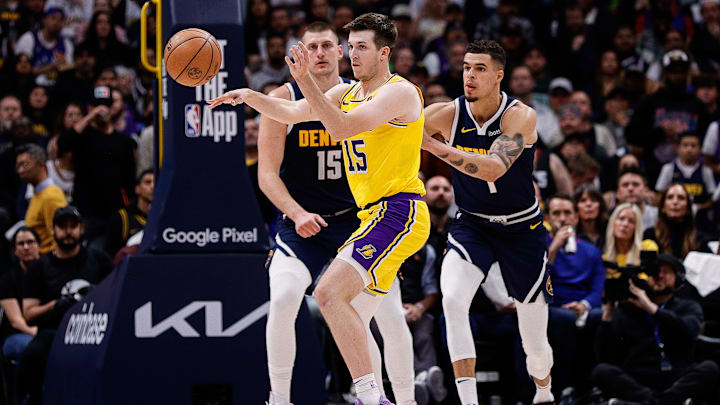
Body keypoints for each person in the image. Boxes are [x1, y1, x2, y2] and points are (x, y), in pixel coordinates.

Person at [209, 13, 430, 405]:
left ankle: (373, 397)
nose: (352, 53)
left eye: (360, 47)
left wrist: (304, 81)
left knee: (332, 296)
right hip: (368, 217)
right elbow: (293, 113)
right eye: (352, 46)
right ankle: (367, 395)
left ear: (384, 53)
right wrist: (251, 97)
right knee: (351, 313)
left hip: (399, 212)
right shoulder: (346, 94)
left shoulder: (400, 92)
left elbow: (342, 128)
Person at [421, 40, 554, 405]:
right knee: (452, 300)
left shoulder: (520, 116)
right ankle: (469, 401)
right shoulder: (446, 113)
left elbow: (495, 167)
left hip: (521, 229)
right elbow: (393, 128)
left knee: (534, 342)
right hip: (473, 225)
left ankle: (544, 391)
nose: (470, 75)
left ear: (498, 75)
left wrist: (435, 148)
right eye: (466, 67)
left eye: (479, 68)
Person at [593, 254, 719, 404]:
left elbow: (689, 330)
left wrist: (653, 309)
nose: (659, 275)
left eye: (666, 272)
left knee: (710, 368)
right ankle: (663, 402)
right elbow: (604, 356)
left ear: (677, 279)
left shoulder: (688, 306)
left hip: (675, 376)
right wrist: (607, 316)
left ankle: (653, 402)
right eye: (654, 272)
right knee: (602, 371)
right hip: (638, 378)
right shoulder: (629, 310)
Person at [19, 205, 113, 405]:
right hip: (54, 332)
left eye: (73, 226)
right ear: (52, 230)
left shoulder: (99, 260)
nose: (68, 231)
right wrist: (54, 305)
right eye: (62, 226)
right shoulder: (39, 268)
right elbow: (28, 314)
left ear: (81, 229)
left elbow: (116, 298)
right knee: (32, 355)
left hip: (93, 331)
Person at [59, 86, 136, 250]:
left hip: (115, 212)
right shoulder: (83, 136)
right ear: (90, 107)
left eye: (106, 105)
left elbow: (130, 179)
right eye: (97, 106)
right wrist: (90, 116)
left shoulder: (123, 141)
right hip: (87, 212)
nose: (102, 110)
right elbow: (63, 144)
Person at [544, 194, 605, 395]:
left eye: (568, 213)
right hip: (552, 306)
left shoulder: (591, 251)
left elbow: (597, 289)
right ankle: (565, 387)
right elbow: (537, 285)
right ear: (548, 218)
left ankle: (591, 385)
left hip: (582, 307)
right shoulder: (539, 246)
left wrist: (584, 305)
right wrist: (552, 250)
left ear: (576, 217)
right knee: (563, 319)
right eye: (557, 213)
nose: (563, 218)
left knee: (598, 315)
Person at [16, 143, 68, 254]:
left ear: (40, 164)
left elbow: (60, 239)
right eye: (18, 166)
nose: (20, 171)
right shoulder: (38, 195)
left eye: (24, 164)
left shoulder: (51, 196)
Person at [0, 227, 39, 360]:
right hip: (17, 334)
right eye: (21, 244)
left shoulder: (49, 272)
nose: (26, 247)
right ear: (15, 251)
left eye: (30, 242)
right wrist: (36, 333)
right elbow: (16, 321)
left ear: (39, 245)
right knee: (35, 348)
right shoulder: (8, 279)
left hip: (46, 332)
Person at [655, 132, 716, 214]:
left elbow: (712, 199)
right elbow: (659, 196)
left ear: (700, 149)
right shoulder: (668, 169)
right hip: (673, 217)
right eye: (685, 145)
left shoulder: (706, 171)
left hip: (700, 219)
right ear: (678, 148)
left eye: (693, 146)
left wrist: (699, 207)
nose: (689, 149)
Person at [643, 184, 710, 259]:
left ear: (688, 208)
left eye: (681, 198)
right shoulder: (650, 235)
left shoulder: (699, 239)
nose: (675, 202)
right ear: (663, 207)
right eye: (670, 197)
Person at [103, 169, 153, 258]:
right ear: (137, 189)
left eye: (156, 182)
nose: (152, 186)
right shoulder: (122, 217)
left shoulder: (163, 218)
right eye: (147, 182)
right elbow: (110, 255)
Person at [614, 166, 658, 231]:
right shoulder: (610, 218)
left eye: (636, 184)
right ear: (618, 193)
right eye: (625, 185)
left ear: (646, 191)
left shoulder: (658, 216)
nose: (630, 188)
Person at [574, 184, 608, 249]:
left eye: (593, 200)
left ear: (600, 205)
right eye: (583, 201)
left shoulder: (609, 230)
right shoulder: (571, 234)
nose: (588, 204)